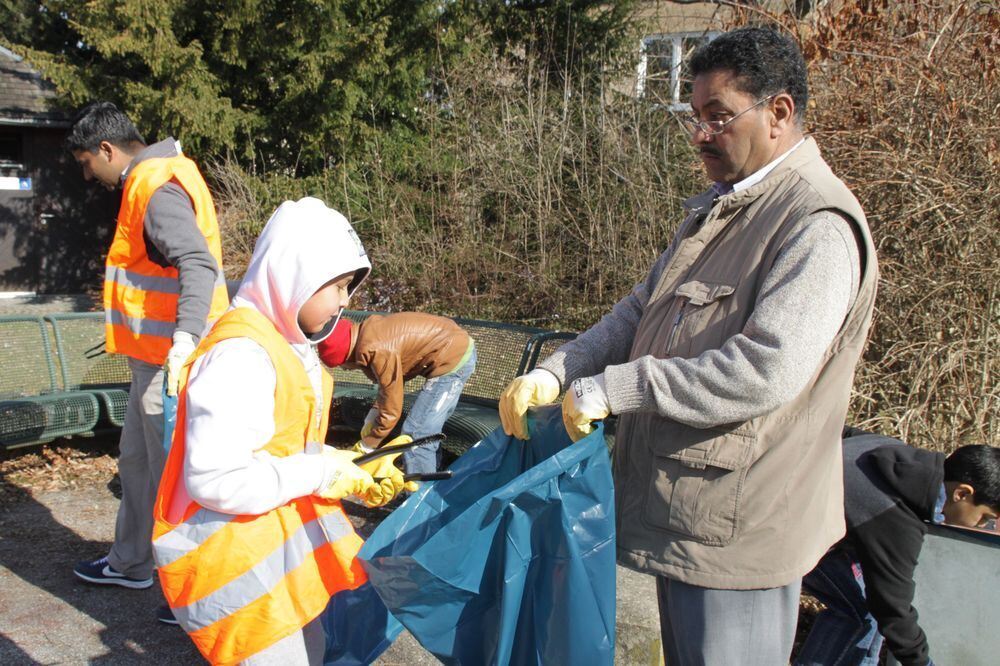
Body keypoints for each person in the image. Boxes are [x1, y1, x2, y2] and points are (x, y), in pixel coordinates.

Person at [499, 26, 879, 665]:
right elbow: (637, 313)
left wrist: (617, 388)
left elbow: (765, 369)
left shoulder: (816, 224)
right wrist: (562, 371)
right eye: (694, 116)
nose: (700, 134)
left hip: (740, 533)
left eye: (717, 117)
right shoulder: (722, 209)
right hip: (688, 518)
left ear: (779, 113)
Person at [151, 197, 413, 665]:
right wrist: (321, 473)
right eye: (337, 285)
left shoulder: (284, 345)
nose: (344, 300)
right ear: (297, 276)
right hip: (238, 573)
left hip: (271, 563)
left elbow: (283, 447)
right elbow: (216, 480)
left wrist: (352, 468)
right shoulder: (241, 356)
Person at [66, 102, 229, 592]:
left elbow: (197, 265)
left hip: (171, 364)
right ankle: (132, 561)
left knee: (172, 478)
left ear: (106, 149)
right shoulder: (152, 179)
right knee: (136, 464)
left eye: (86, 164)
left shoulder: (155, 187)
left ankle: (192, 592)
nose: (88, 176)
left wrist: (183, 341)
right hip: (152, 362)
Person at [796, 428, 1000, 666]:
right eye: (985, 517)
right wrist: (922, 663)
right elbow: (893, 609)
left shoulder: (891, 449)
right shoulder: (896, 519)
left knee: (869, 604)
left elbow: (837, 428)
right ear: (962, 493)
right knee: (861, 613)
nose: (983, 525)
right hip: (784, 533)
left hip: (789, 504)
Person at [318, 312, 476, 475]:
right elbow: (389, 385)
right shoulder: (369, 335)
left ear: (347, 356)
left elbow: (392, 409)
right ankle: (433, 481)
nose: (345, 369)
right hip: (454, 347)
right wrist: (374, 411)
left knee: (416, 435)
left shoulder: (377, 350)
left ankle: (418, 495)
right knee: (427, 432)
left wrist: (369, 443)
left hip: (452, 359)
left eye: (342, 365)